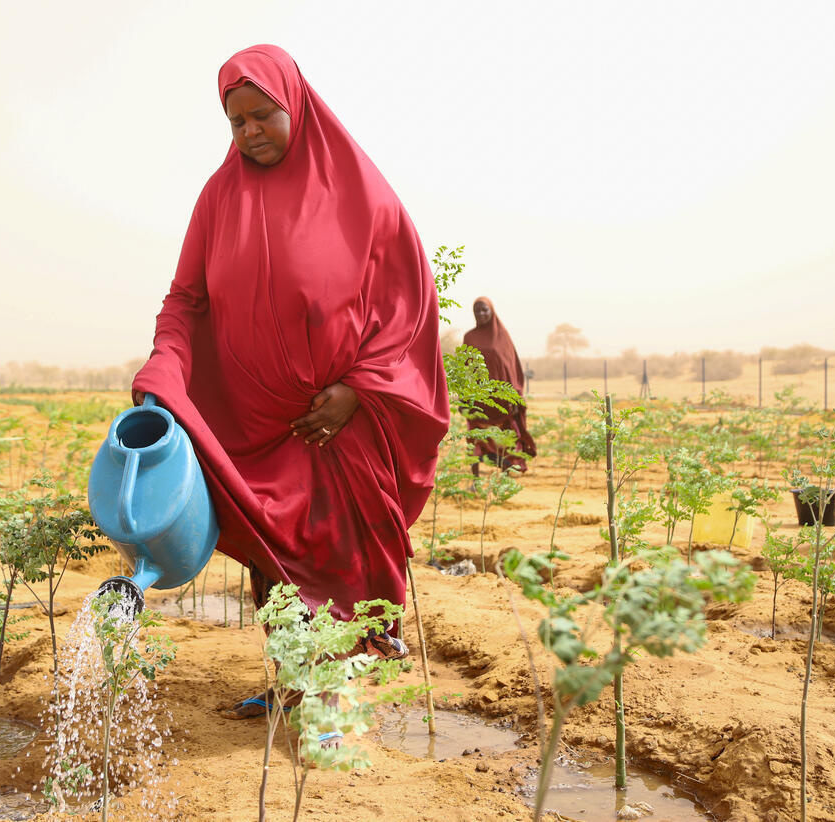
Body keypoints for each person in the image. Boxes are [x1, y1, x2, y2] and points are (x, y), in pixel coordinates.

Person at [130, 45, 449, 717]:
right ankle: (297, 685)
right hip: (258, 427)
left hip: (341, 426)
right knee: (277, 563)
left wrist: (359, 387)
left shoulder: (363, 197)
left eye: (261, 116)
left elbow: (408, 305)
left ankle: (332, 698)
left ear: (294, 106)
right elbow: (186, 299)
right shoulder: (219, 199)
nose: (249, 133)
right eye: (235, 121)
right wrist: (165, 360)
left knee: (340, 555)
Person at [462, 297, 536, 473]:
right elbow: (464, 369)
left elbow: (511, 368)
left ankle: (505, 477)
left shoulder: (502, 337)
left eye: (484, 310)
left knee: (506, 437)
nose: (480, 314)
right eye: (477, 310)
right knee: (475, 437)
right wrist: (464, 397)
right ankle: (475, 480)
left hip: (501, 400)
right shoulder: (469, 337)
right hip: (478, 399)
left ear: (492, 311)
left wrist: (514, 397)